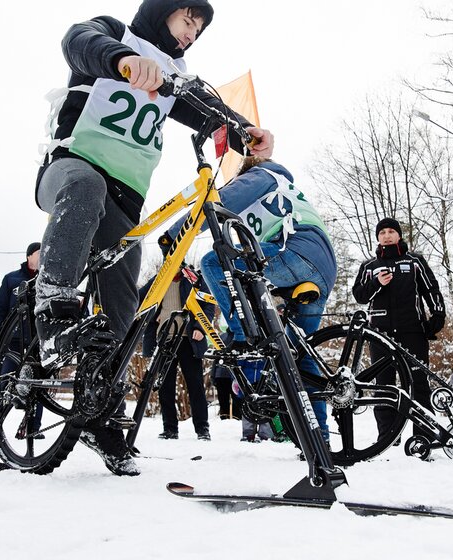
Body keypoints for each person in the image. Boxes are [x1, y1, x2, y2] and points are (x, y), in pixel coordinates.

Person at [31, 0, 273, 476]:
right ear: (164, 11)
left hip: (124, 204)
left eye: (199, 31)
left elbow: (208, 111)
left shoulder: (176, 74)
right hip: (70, 168)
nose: (191, 35)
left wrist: (245, 131)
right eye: (188, 21)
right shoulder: (115, 32)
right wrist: (123, 60)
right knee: (87, 186)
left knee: (123, 305)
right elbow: (77, 41)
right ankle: (52, 301)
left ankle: (99, 415)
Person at [170, 156, 336, 442]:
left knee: (213, 261)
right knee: (301, 359)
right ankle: (319, 437)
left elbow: (217, 205)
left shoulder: (265, 175)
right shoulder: (286, 191)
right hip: (322, 266)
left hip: (296, 253)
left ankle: (240, 335)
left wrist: (173, 236)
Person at [352, 217, 446, 440]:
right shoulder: (368, 266)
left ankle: (423, 435)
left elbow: (431, 289)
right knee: (384, 386)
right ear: (377, 237)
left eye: (391, 232)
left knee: (418, 384)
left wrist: (438, 314)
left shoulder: (415, 261)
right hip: (380, 335)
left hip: (412, 331)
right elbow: (359, 296)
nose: (386, 235)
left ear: (399, 235)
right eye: (382, 232)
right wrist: (377, 283)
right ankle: (387, 436)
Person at [140, 241, 214, 441]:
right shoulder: (158, 282)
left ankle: (202, 429)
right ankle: (170, 429)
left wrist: (200, 328)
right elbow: (139, 301)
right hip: (163, 340)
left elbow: (207, 306)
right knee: (165, 386)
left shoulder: (194, 279)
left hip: (188, 339)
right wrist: (151, 316)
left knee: (196, 385)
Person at [0, 242, 44, 440]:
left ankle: (32, 428)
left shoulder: (47, 281)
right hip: (12, 342)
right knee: (3, 382)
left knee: (37, 385)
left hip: (36, 343)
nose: (42, 256)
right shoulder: (12, 279)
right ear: (29, 256)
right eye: (39, 253)